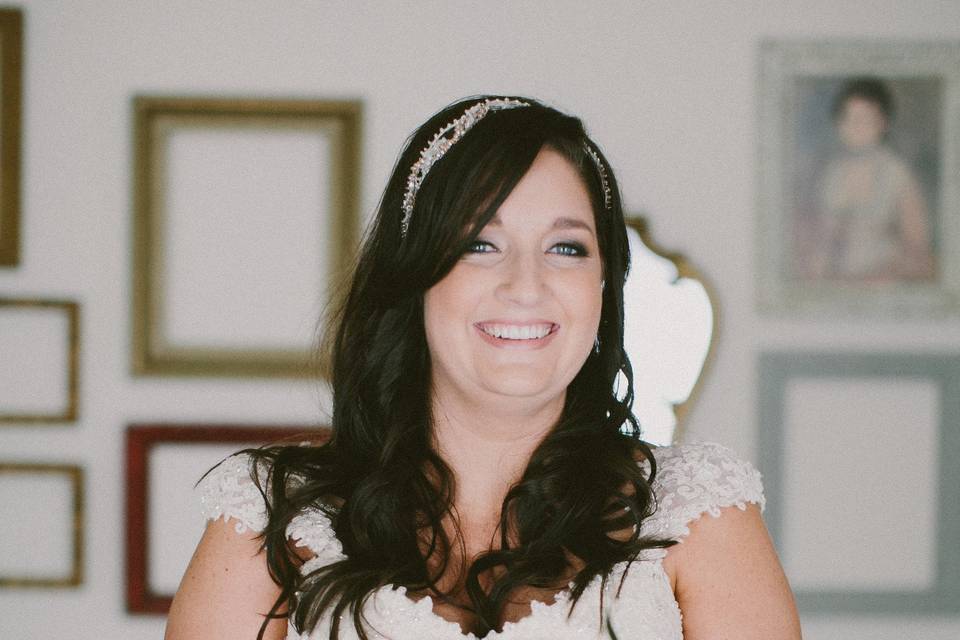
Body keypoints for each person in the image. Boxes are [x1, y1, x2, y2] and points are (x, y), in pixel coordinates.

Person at [165, 96, 801, 639]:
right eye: (480, 244)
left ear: (604, 287)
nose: (526, 285)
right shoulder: (268, 515)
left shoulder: (698, 515)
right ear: (414, 278)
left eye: (565, 247)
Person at [807, 77, 935, 282]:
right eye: (848, 119)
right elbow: (822, 240)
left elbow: (918, 250)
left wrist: (879, 277)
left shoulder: (897, 174)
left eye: (864, 119)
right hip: (837, 283)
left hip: (884, 284)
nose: (855, 127)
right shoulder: (833, 172)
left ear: (882, 123)